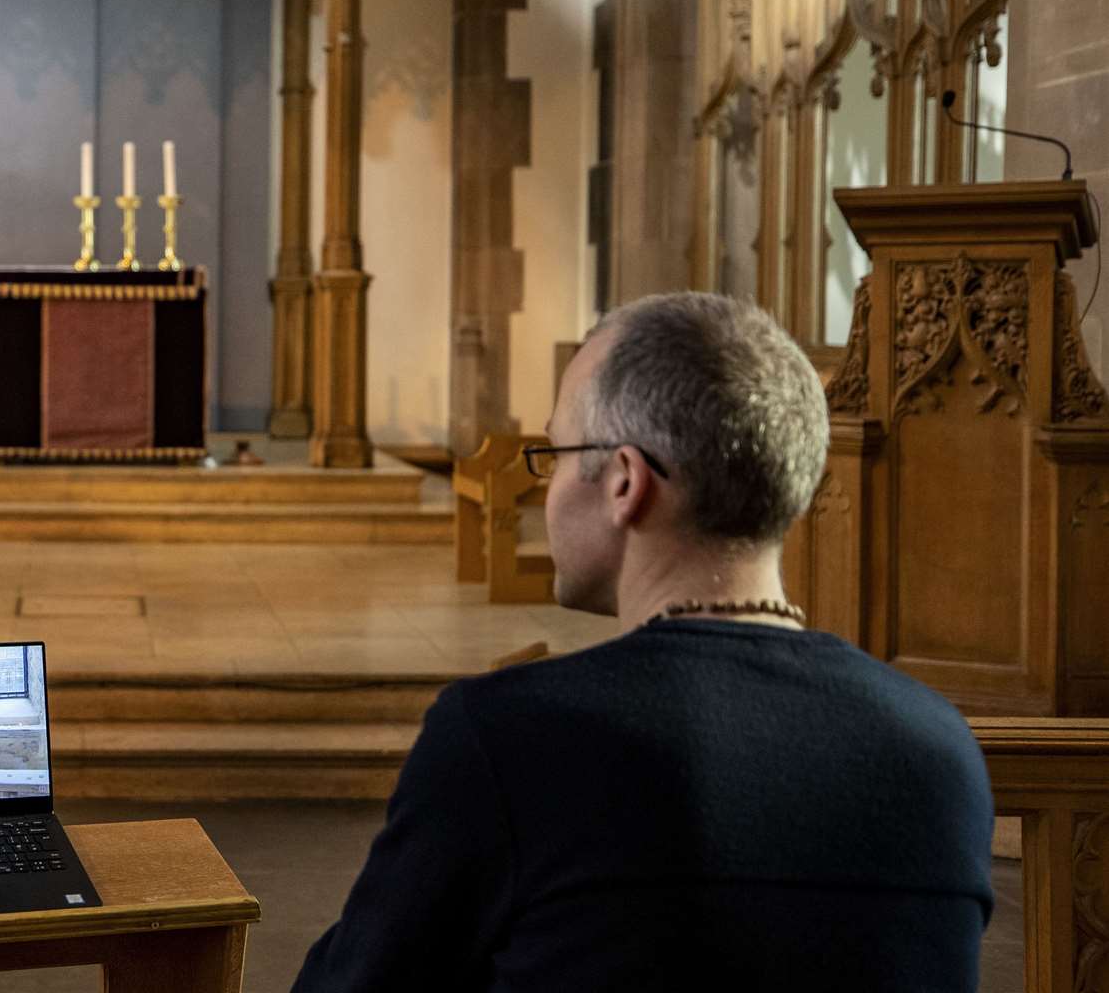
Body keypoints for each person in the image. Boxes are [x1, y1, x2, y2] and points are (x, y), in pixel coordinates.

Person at [291, 293, 994, 991]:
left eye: (554, 453)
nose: (547, 489)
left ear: (625, 481)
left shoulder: (514, 742)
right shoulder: (937, 748)